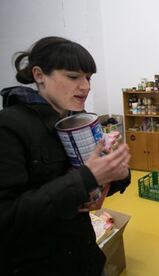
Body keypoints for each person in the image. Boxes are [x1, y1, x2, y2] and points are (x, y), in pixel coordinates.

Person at [0, 36, 131, 276]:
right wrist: (87, 177)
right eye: (73, 77)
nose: (86, 86)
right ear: (39, 75)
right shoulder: (9, 127)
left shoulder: (80, 121)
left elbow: (91, 185)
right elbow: (8, 218)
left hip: (85, 255)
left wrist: (116, 173)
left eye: (88, 78)